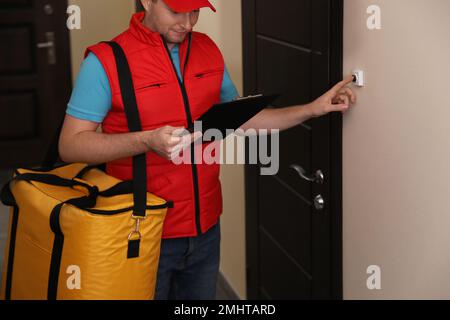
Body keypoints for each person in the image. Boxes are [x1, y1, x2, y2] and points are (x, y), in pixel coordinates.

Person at [58, 0, 356, 300]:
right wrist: (146, 140)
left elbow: (241, 120)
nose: (187, 23)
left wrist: (311, 109)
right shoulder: (104, 61)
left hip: (206, 233)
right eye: (176, 11)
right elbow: (70, 145)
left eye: (195, 12)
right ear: (147, 2)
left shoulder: (207, 49)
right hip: (139, 234)